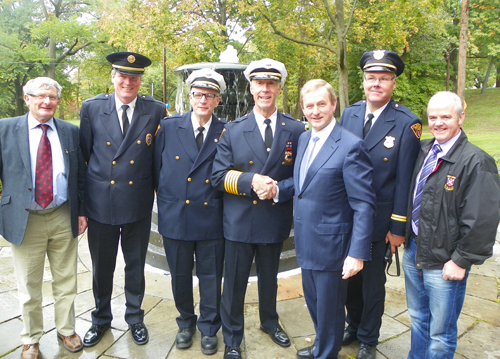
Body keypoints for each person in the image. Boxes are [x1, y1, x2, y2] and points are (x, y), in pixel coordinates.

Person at [273, 79, 376, 359]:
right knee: (317, 304)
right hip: (306, 243)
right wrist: (276, 190)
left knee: (330, 311)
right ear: (303, 109)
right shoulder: (305, 138)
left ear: (333, 105)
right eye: (309, 105)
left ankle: (326, 353)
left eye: (321, 104)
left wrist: (357, 253)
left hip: (333, 247)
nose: (315, 111)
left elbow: (364, 205)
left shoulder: (351, 146)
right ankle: (322, 346)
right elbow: (303, 183)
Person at [211, 58, 305, 359]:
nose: (265, 89)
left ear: (278, 88)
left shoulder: (295, 129)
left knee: (269, 277)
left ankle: (269, 321)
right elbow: (217, 176)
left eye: (271, 84)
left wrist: (277, 188)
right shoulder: (234, 130)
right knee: (235, 282)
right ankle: (233, 338)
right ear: (251, 88)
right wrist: (253, 180)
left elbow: (302, 175)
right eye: (259, 84)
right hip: (240, 219)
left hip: (274, 216)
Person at [403, 91, 500, 359]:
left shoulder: (477, 162)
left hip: (446, 261)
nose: (438, 123)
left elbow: (483, 219)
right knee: (418, 319)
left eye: (446, 116)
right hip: (415, 252)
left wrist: (461, 260)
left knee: (441, 332)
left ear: (461, 118)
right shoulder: (423, 151)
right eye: (433, 117)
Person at [79, 52, 166, 347]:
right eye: (123, 76)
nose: (128, 82)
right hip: (100, 202)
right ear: (113, 78)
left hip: (137, 202)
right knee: (102, 266)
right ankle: (101, 319)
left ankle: (134, 317)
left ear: (140, 81)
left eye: (134, 77)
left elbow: (158, 158)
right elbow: (84, 156)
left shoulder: (155, 110)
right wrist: (82, 207)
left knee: (135, 265)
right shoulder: (92, 108)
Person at [339, 49, 422, 359]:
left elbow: (405, 181)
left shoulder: (407, 122)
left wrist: (397, 227)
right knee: (348, 280)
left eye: (383, 78)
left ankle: (368, 339)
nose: (376, 83)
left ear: (393, 82)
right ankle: (354, 324)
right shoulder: (349, 114)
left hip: (378, 221)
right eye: (371, 77)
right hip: (346, 217)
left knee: (372, 285)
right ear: (363, 80)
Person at [0, 77, 87, 359]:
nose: (46, 101)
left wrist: (82, 210)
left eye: (52, 97)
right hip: (26, 218)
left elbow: (80, 176)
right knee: (29, 285)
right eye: (40, 96)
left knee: (66, 280)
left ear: (58, 101)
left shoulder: (70, 132)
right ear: (27, 98)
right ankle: (31, 339)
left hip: (63, 214)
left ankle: (66, 330)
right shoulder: (5, 129)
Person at [154, 68, 227, 355]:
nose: (203, 100)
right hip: (176, 217)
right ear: (190, 95)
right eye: (198, 94)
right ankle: (185, 323)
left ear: (217, 100)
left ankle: (209, 327)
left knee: (211, 277)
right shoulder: (169, 127)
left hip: (211, 218)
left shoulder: (226, 131)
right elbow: (155, 168)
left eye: (209, 96)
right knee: (180, 276)